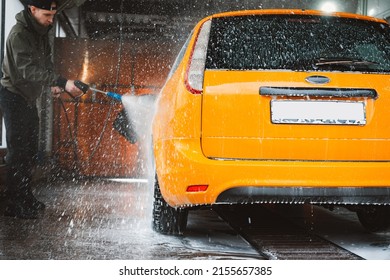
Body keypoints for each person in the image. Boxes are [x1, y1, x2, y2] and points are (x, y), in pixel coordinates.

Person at [0, 0, 82, 219]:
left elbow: (45, 63)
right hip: (13, 96)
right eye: (47, 14)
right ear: (32, 9)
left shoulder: (41, 31)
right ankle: (13, 203)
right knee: (18, 151)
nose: (51, 19)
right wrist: (61, 81)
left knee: (30, 150)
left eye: (53, 15)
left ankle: (25, 196)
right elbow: (26, 70)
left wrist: (53, 83)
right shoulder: (19, 34)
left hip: (29, 97)